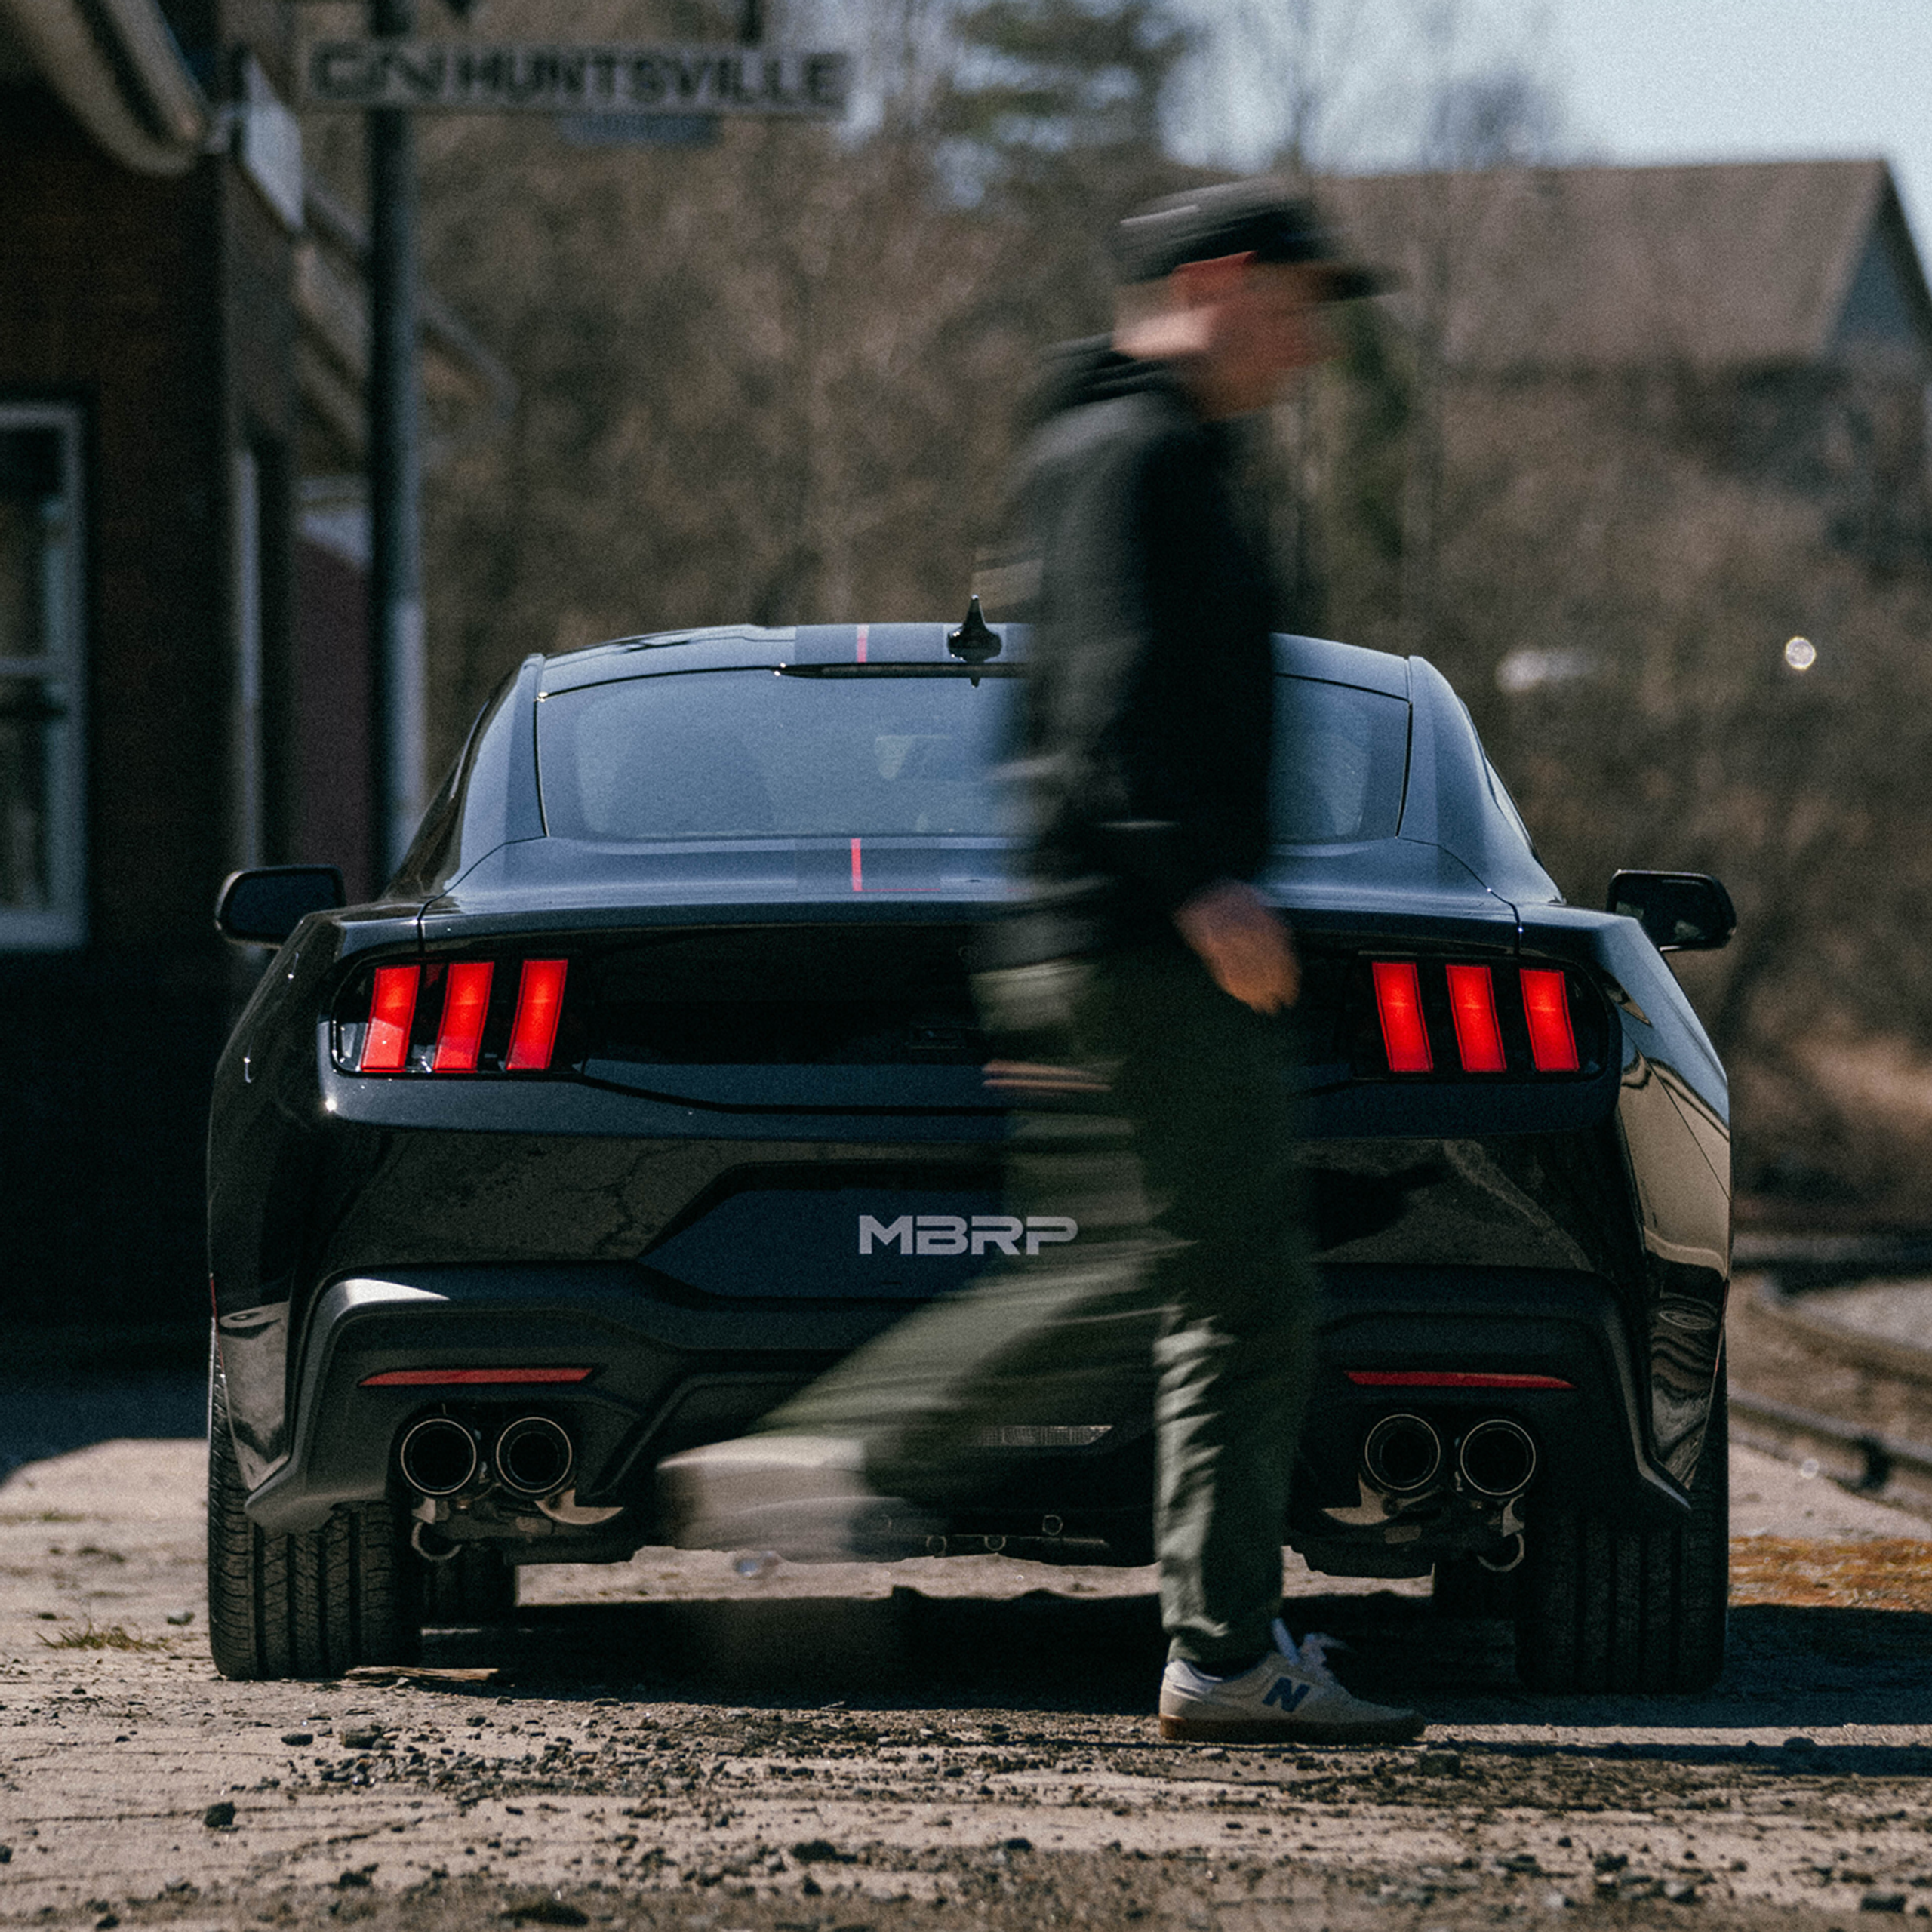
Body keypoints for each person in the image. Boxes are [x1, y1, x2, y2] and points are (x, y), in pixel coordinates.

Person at [661, 179, 1423, 1746]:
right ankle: (1218, 1648)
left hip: (1096, 931)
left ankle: (835, 1455)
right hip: (1150, 938)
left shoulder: (1120, 449)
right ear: (1216, 279)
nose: (1304, 347)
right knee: (1243, 1289)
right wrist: (1198, 884)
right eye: (1292, 307)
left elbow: (1056, 708)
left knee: (1131, 1271)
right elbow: (1108, 705)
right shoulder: (1140, 458)